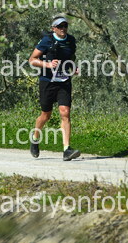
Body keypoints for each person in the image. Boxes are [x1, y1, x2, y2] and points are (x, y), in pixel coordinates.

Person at [28, 15, 81, 161]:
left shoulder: (71, 40)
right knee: (46, 115)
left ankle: (67, 150)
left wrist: (73, 67)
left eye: (65, 26)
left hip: (64, 81)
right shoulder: (47, 41)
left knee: (65, 112)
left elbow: (71, 57)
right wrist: (48, 65)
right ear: (53, 29)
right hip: (47, 81)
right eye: (60, 26)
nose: (63, 28)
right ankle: (35, 138)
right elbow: (32, 60)